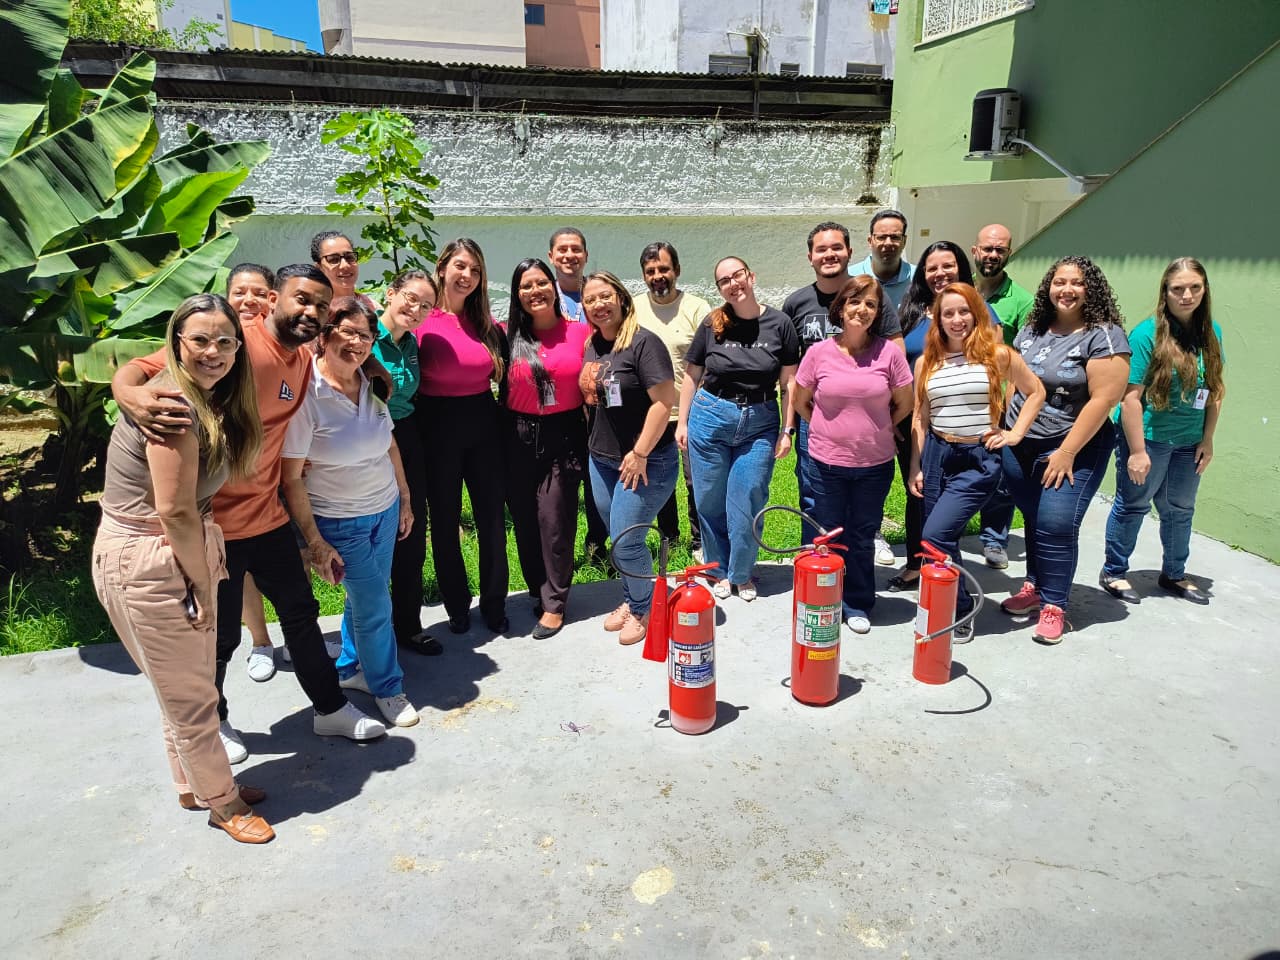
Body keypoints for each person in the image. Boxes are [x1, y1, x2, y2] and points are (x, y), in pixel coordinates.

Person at [112, 265, 388, 764]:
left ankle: (329, 708)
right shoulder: (236, 345)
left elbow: (354, 346)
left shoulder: (302, 358)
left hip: (269, 516)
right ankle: (214, 721)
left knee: (303, 617)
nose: (312, 312)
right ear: (274, 299)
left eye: (321, 306)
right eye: (301, 300)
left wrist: (311, 538)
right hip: (214, 524)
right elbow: (145, 366)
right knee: (219, 636)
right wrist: (126, 392)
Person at [92, 294, 273, 842]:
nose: (213, 351)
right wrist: (197, 581)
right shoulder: (173, 405)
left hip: (173, 544)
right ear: (177, 344)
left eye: (224, 341)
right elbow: (172, 508)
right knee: (193, 696)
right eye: (199, 340)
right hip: (153, 554)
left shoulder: (208, 392)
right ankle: (225, 803)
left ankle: (195, 783)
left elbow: (134, 366)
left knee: (180, 686)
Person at [281, 298, 419, 727]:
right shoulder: (308, 396)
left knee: (366, 596)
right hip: (340, 520)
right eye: (348, 333)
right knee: (376, 603)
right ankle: (387, 686)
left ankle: (353, 668)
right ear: (323, 336)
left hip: (384, 507)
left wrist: (405, 497)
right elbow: (290, 479)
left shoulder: (370, 380)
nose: (357, 344)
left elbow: (389, 444)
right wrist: (314, 541)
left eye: (365, 336)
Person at [1000, 256, 1131, 644]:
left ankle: (1055, 604)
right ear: (1049, 287)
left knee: (1056, 524)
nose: (1067, 290)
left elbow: (1104, 400)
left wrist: (1068, 452)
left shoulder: (1104, 335)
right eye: (1059, 282)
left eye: (1076, 283)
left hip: (1073, 445)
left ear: (1091, 289)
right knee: (1035, 518)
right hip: (1022, 442)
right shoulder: (1033, 329)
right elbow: (1016, 382)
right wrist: (1007, 429)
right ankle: (1035, 587)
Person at [907, 283, 1045, 642]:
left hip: (977, 459)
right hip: (937, 454)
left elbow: (1036, 392)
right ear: (937, 320)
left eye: (963, 311)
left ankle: (963, 606)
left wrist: (1013, 434)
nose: (956, 320)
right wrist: (915, 466)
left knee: (935, 535)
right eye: (948, 313)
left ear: (977, 314)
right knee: (943, 538)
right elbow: (920, 419)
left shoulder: (998, 356)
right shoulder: (927, 362)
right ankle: (952, 606)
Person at [792, 275, 913, 634]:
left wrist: (877, 427)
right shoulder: (818, 353)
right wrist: (826, 428)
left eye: (870, 304)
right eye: (854, 301)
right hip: (825, 463)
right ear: (841, 307)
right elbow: (800, 402)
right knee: (828, 535)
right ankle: (824, 598)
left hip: (873, 466)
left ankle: (858, 602)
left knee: (862, 536)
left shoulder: (889, 353)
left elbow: (904, 404)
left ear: (877, 313)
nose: (862, 309)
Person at [1101, 258, 1224, 606]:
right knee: (1134, 505)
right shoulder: (1146, 333)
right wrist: (1137, 451)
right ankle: (1114, 571)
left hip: (1190, 440)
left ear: (1204, 290)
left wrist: (1208, 438)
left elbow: (1215, 390)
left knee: (1180, 508)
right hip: (1149, 438)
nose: (1186, 295)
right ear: (1165, 292)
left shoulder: (1211, 333)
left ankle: (1173, 573)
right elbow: (1130, 399)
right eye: (1178, 289)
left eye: (1194, 288)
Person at [678, 256, 800, 601]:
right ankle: (718, 570)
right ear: (720, 289)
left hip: (760, 422)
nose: (733, 283)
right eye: (724, 281)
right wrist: (683, 422)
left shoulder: (780, 324)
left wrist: (787, 430)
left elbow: (789, 383)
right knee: (710, 499)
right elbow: (692, 373)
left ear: (751, 276)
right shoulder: (713, 323)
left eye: (738, 275)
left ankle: (742, 573)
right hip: (710, 416)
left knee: (748, 498)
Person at [886, 240, 999, 593]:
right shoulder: (912, 311)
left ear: (961, 267)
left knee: (944, 509)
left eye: (947, 266)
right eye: (931, 267)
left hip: (962, 427)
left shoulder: (977, 312)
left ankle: (946, 575)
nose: (939, 273)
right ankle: (918, 565)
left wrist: (998, 424)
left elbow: (996, 375)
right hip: (915, 420)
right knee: (916, 492)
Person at [784, 222, 904, 546]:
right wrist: (796, 423)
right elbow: (791, 372)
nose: (830, 254)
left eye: (837, 247)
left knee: (861, 499)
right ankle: (816, 565)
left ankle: (858, 563)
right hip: (816, 417)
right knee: (813, 496)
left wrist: (882, 416)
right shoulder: (797, 303)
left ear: (850, 252)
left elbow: (896, 355)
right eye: (821, 249)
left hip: (867, 415)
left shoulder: (871, 298)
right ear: (810, 256)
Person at [580, 270, 679, 646]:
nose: (598, 305)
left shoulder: (644, 343)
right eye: (590, 300)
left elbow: (663, 402)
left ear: (621, 298)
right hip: (603, 459)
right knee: (617, 536)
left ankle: (645, 608)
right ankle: (632, 596)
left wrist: (639, 453)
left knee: (627, 541)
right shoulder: (595, 344)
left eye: (605, 296)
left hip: (645, 462)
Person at [417, 238, 510, 634]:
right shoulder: (422, 319)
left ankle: (494, 603)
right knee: (444, 519)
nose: (467, 276)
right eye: (460, 266)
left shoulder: (487, 324)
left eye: (474, 270)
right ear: (441, 268)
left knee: (491, 519)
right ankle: (457, 604)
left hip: (483, 422)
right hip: (435, 425)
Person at [502, 258, 592, 639]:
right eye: (525, 286)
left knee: (555, 520)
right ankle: (540, 590)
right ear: (517, 295)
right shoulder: (505, 337)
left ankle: (556, 603)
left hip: (565, 433)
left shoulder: (581, 332)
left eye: (541, 283)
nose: (534, 291)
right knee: (524, 521)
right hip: (516, 433)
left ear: (554, 287)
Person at [372, 269, 442, 656]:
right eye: (410, 298)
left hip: (408, 435)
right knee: (375, 537)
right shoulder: (365, 338)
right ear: (390, 292)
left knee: (411, 533)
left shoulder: (411, 343)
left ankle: (409, 625)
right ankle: (374, 630)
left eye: (426, 305)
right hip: (368, 441)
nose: (415, 309)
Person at [226, 263, 288, 682]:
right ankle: (261, 641)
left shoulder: (289, 344)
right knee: (244, 568)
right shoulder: (219, 346)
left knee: (296, 560)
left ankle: (297, 635)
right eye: (239, 292)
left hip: (289, 473)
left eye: (258, 293)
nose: (248, 300)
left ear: (273, 300)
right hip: (237, 484)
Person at [633, 241, 711, 558]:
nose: (657, 276)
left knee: (697, 481)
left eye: (663, 269)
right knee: (658, 481)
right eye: (650, 271)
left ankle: (700, 541)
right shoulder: (633, 309)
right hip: (651, 412)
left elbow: (711, 359)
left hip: (691, 412)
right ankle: (669, 538)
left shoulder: (697, 308)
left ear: (676, 270)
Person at [971, 223, 1036, 570]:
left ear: (1008, 253)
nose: (993, 255)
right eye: (987, 248)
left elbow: (1020, 360)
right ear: (975, 251)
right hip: (960, 401)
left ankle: (995, 540)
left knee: (998, 475)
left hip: (999, 403)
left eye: (1000, 249)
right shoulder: (962, 291)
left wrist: (1007, 409)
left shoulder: (1022, 302)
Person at [548, 226, 609, 559]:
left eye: (576, 249)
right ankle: (560, 551)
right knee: (563, 480)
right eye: (562, 249)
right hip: (557, 403)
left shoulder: (598, 292)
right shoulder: (543, 293)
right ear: (551, 256)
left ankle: (598, 545)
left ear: (585, 255)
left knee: (597, 474)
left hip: (596, 401)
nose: (569, 255)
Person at [849, 209, 915, 309]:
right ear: (870, 241)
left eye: (895, 237)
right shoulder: (849, 277)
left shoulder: (918, 278)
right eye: (882, 237)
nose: (888, 243)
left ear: (904, 241)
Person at [311, 230, 379, 313]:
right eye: (334, 259)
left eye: (349, 257)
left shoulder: (373, 308)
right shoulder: (313, 311)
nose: (345, 265)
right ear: (319, 267)